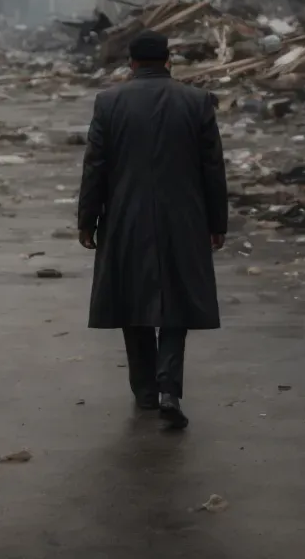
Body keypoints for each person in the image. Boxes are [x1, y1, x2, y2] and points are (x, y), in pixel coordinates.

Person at [76, 32, 228, 429]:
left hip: (126, 216)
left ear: (131, 63)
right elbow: (213, 170)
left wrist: (87, 221)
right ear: (168, 60)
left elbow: (95, 167)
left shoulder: (109, 102)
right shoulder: (196, 102)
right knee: (176, 304)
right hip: (184, 217)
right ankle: (169, 390)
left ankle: (144, 391)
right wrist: (217, 223)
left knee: (132, 300)